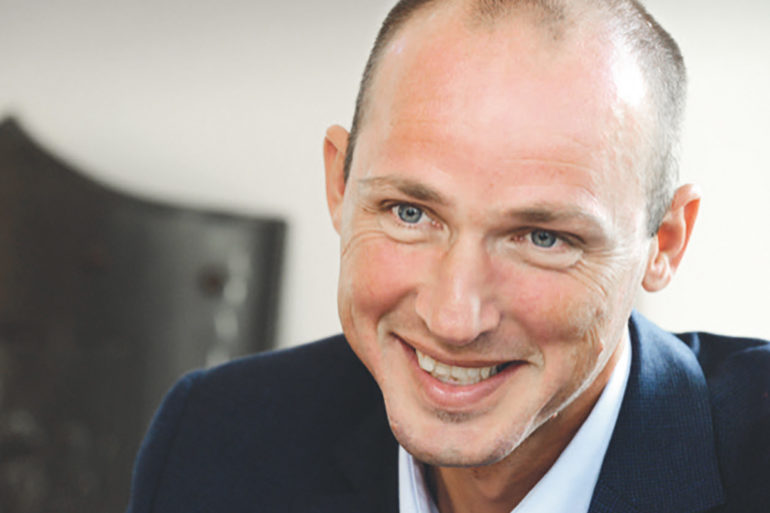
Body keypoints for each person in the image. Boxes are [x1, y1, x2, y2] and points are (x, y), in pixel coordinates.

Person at [126, 1, 770, 512]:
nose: (454, 320)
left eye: (542, 237)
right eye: (410, 213)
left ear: (665, 243)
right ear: (340, 185)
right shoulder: (214, 439)